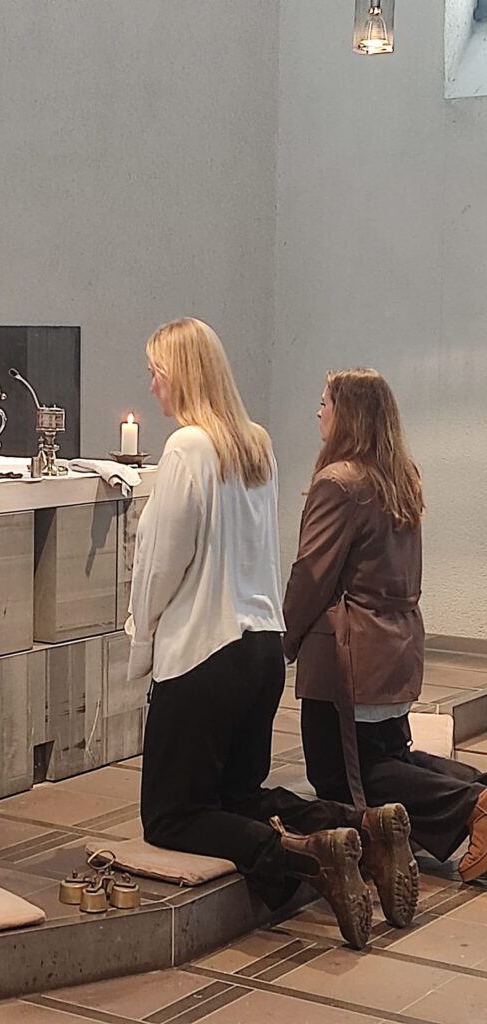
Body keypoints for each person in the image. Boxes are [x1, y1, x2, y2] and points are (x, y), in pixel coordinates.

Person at [126, 319, 418, 951]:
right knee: (238, 794)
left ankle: (311, 855)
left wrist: (140, 638)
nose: (151, 386)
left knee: (171, 816)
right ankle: (362, 827)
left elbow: (161, 562)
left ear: (182, 373)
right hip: (259, 649)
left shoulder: (188, 447)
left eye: (156, 372)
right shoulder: (256, 442)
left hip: (202, 652)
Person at [283, 368, 487, 883]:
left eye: (326, 402)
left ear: (348, 414)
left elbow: (312, 573)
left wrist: (285, 638)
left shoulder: (339, 482)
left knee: (343, 774)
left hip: (350, 649)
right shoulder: (400, 475)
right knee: (388, 756)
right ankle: (480, 792)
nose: (318, 411)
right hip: (395, 641)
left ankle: (474, 806)